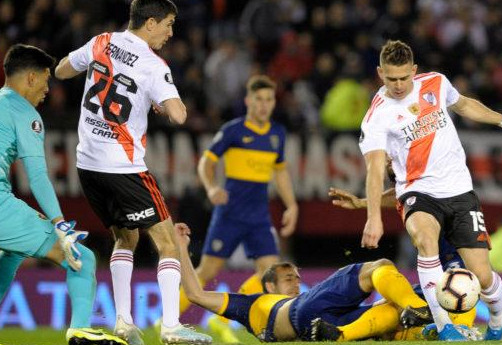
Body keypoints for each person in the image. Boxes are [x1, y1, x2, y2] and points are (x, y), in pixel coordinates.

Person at [53, 1, 211, 344]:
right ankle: (171, 326)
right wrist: (161, 98)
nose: (170, 33)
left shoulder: (102, 41)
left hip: (88, 165)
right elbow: (180, 115)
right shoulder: (154, 65)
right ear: (150, 23)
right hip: (123, 167)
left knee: (126, 237)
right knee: (169, 242)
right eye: (168, 25)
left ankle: (124, 321)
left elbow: (63, 69)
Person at [358, 39, 502, 341]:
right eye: (391, 79)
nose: (399, 85)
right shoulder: (377, 116)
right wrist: (373, 217)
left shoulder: (436, 83)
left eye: (404, 77)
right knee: (425, 240)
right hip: (417, 191)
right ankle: (445, 328)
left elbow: (464, 104)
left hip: (459, 191)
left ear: (414, 70)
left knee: (482, 276)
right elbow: (375, 170)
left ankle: (497, 319)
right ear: (380, 73)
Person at [0, 44, 125, 345]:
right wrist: (60, 223)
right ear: (30, 78)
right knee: (81, 257)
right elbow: (38, 176)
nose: (47, 89)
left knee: (11, 254)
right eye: (45, 80)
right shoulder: (23, 112)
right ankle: (80, 330)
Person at [178, 75, 298, 342]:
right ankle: (168, 319)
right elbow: (205, 163)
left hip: (259, 217)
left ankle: (223, 322)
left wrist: (291, 205)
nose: (264, 105)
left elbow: (280, 173)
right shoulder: (233, 130)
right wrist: (210, 188)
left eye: (269, 100)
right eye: (258, 99)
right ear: (248, 101)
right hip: (230, 215)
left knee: (270, 274)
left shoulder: (277, 133)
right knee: (206, 272)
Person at [174, 222, 439, 343]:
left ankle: (343, 336)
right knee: (379, 267)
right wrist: (182, 249)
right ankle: (418, 305)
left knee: (392, 314)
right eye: (288, 278)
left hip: (321, 326)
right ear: (269, 287)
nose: (295, 282)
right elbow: (195, 294)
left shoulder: (270, 314)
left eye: (297, 278)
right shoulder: (247, 305)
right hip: (302, 312)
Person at [328, 186, 477, 330]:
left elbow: (408, 192)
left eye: (389, 160)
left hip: (455, 255)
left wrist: (370, 212)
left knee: (459, 289)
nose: (388, 163)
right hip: (439, 264)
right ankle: (342, 332)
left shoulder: (428, 173)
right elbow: (401, 193)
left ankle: (466, 327)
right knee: (401, 307)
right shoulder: (409, 182)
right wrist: (363, 203)